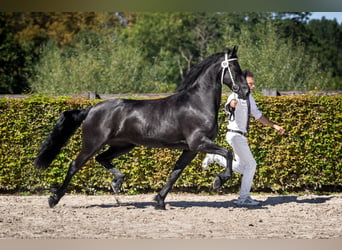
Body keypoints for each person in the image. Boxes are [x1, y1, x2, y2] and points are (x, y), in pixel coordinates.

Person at [202, 70, 285, 206]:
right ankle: (243, 198)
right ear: (242, 83)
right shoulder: (235, 95)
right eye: (250, 84)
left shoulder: (249, 98)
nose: (253, 86)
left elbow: (258, 116)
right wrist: (231, 105)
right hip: (235, 135)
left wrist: (274, 125)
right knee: (252, 165)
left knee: (242, 167)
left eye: (253, 84)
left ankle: (215, 157)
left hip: (240, 136)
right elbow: (228, 107)